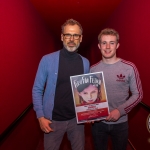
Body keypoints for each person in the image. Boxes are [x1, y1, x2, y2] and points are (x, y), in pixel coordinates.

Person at [32, 19, 90, 150]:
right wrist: (40, 116)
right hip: (53, 121)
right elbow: (37, 89)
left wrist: (89, 112)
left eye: (75, 35)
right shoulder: (47, 60)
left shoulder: (85, 63)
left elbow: (86, 90)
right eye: (68, 34)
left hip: (77, 122)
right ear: (62, 37)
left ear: (80, 38)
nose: (71, 39)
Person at [90, 28, 143, 150]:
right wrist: (89, 114)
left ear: (117, 45)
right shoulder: (92, 69)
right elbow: (90, 96)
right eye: (104, 43)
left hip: (121, 124)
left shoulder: (129, 68)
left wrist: (120, 111)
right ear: (99, 46)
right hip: (98, 124)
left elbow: (138, 94)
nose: (107, 47)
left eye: (112, 43)